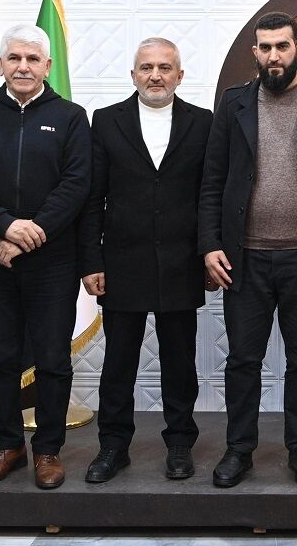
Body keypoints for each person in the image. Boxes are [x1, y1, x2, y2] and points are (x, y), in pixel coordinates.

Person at [200, 13, 297, 488]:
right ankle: (239, 449)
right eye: (265, 47)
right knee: (242, 361)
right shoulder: (234, 103)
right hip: (244, 258)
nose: (274, 56)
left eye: (282, 46)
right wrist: (210, 245)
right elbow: (212, 180)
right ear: (255, 52)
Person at [0, 24, 91, 490]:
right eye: (14, 58)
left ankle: (47, 450)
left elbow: (76, 185)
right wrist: (4, 226)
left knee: (52, 358)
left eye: (33, 59)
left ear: (48, 66)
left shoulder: (71, 117)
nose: (23, 66)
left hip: (53, 260)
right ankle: (7, 446)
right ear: (1, 65)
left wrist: (28, 233)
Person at [78, 38, 211, 485]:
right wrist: (91, 261)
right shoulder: (106, 120)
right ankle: (113, 447)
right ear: (133, 74)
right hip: (122, 263)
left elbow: (209, 196)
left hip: (181, 262)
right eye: (147, 67)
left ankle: (180, 444)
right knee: (118, 363)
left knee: (180, 363)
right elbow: (92, 199)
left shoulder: (203, 123)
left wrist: (209, 254)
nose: (156, 75)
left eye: (165, 67)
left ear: (180, 75)